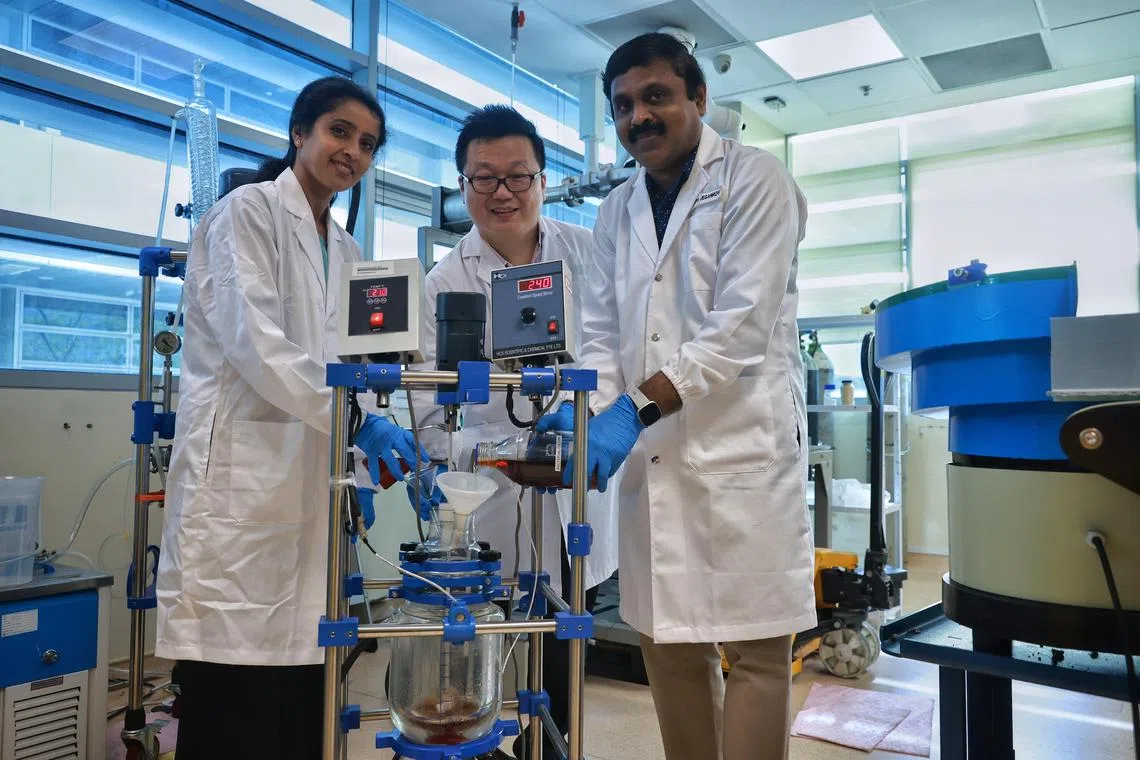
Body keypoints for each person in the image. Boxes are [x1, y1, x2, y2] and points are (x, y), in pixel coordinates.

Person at [537, 33, 815, 760]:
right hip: (654, 458)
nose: (639, 117)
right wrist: (596, 417)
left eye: (656, 96)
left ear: (698, 97)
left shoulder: (757, 181)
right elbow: (598, 334)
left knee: (755, 651)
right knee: (667, 645)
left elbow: (741, 327)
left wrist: (635, 408)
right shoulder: (616, 210)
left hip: (741, 445)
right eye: (623, 105)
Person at [155, 77, 433, 760]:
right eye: (340, 131)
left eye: (367, 143)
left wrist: (375, 435)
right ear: (299, 132)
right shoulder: (243, 214)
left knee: (300, 700)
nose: (353, 151)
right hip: (240, 491)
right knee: (234, 706)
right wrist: (358, 423)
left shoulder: (343, 249)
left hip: (311, 493)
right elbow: (259, 348)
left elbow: (346, 364)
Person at [411, 104, 619, 759]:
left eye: (518, 176)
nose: (503, 192)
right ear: (463, 186)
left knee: (563, 630)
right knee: (486, 645)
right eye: (484, 179)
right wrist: (460, 460)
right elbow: (426, 405)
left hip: (576, 483)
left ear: (542, 178)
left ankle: (551, 746)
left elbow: (614, 350)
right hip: (491, 496)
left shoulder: (586, 253)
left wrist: (589, 412)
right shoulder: (443, 283)